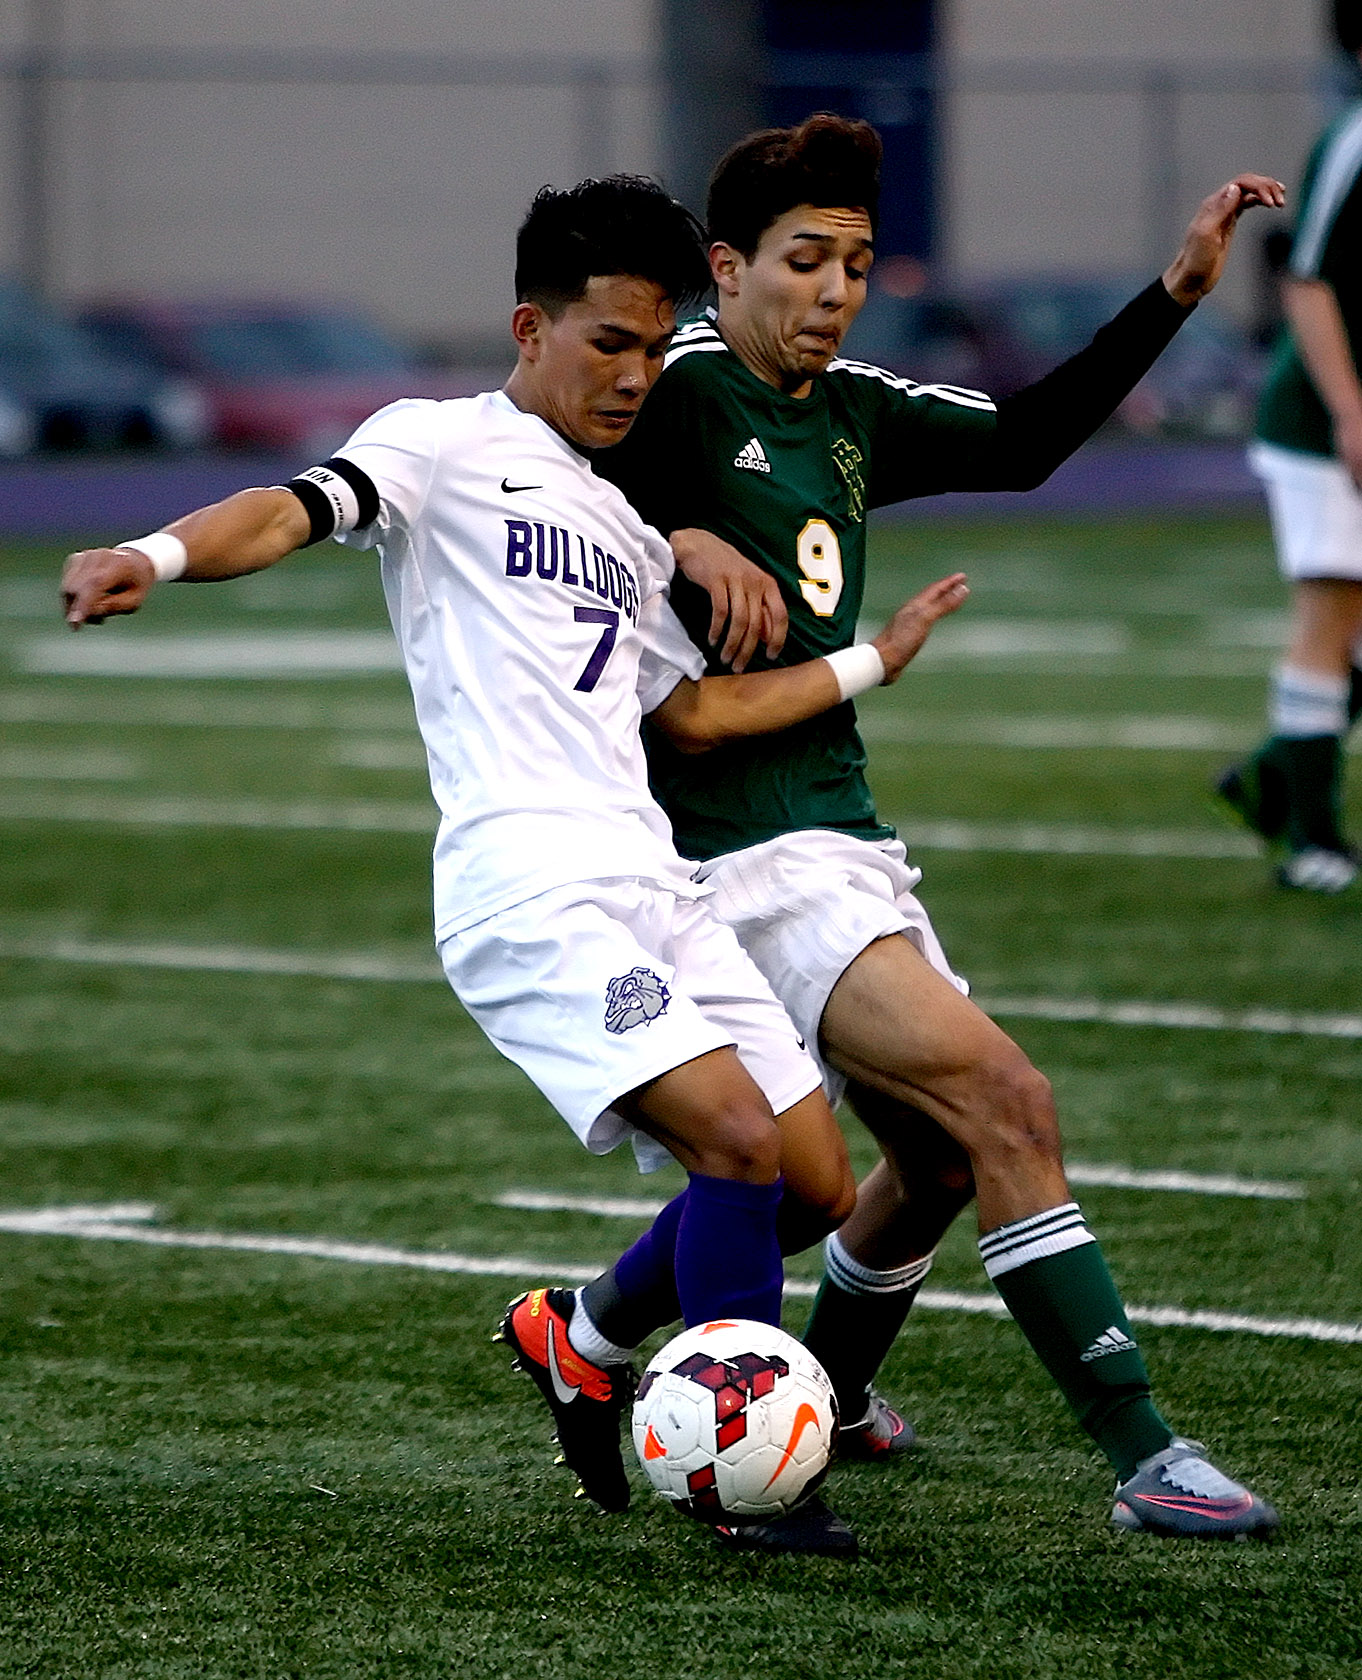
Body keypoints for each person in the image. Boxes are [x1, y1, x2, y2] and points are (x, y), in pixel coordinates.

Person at [58, 174, 968, 1547]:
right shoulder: (436, 446)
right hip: (527, 885)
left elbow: (697, 713)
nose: (633, 375)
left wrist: (863, 661)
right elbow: (287, 508)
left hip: (654, 882)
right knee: (729, 1144)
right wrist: (154, 551)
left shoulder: (619, 522)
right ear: (529, 326)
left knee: (811, 1186)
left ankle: (582, 1338)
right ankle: (751, 1484)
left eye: (656, 350)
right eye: (609, 342)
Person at [573, 116, 1284, 1548]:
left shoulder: (846, 408)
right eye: (802, 263)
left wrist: (1177, 292)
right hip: (738, 858)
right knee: (1005, 1101)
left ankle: (777, 1394)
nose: (834, 292)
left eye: (853, 265)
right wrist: (673, 536)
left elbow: (1023, 444)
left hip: (836, 833)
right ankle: (1143, 1451)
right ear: (726, 269)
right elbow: (543, 454)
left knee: (940, 1163)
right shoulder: (679, 389)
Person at [1219, 2, 1362, 893]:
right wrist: (1350, 413)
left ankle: (1274, 775)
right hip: (1321, 429)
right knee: (1331, 616)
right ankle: (1311, 843)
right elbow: (1307, 284)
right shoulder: (1352, 142)